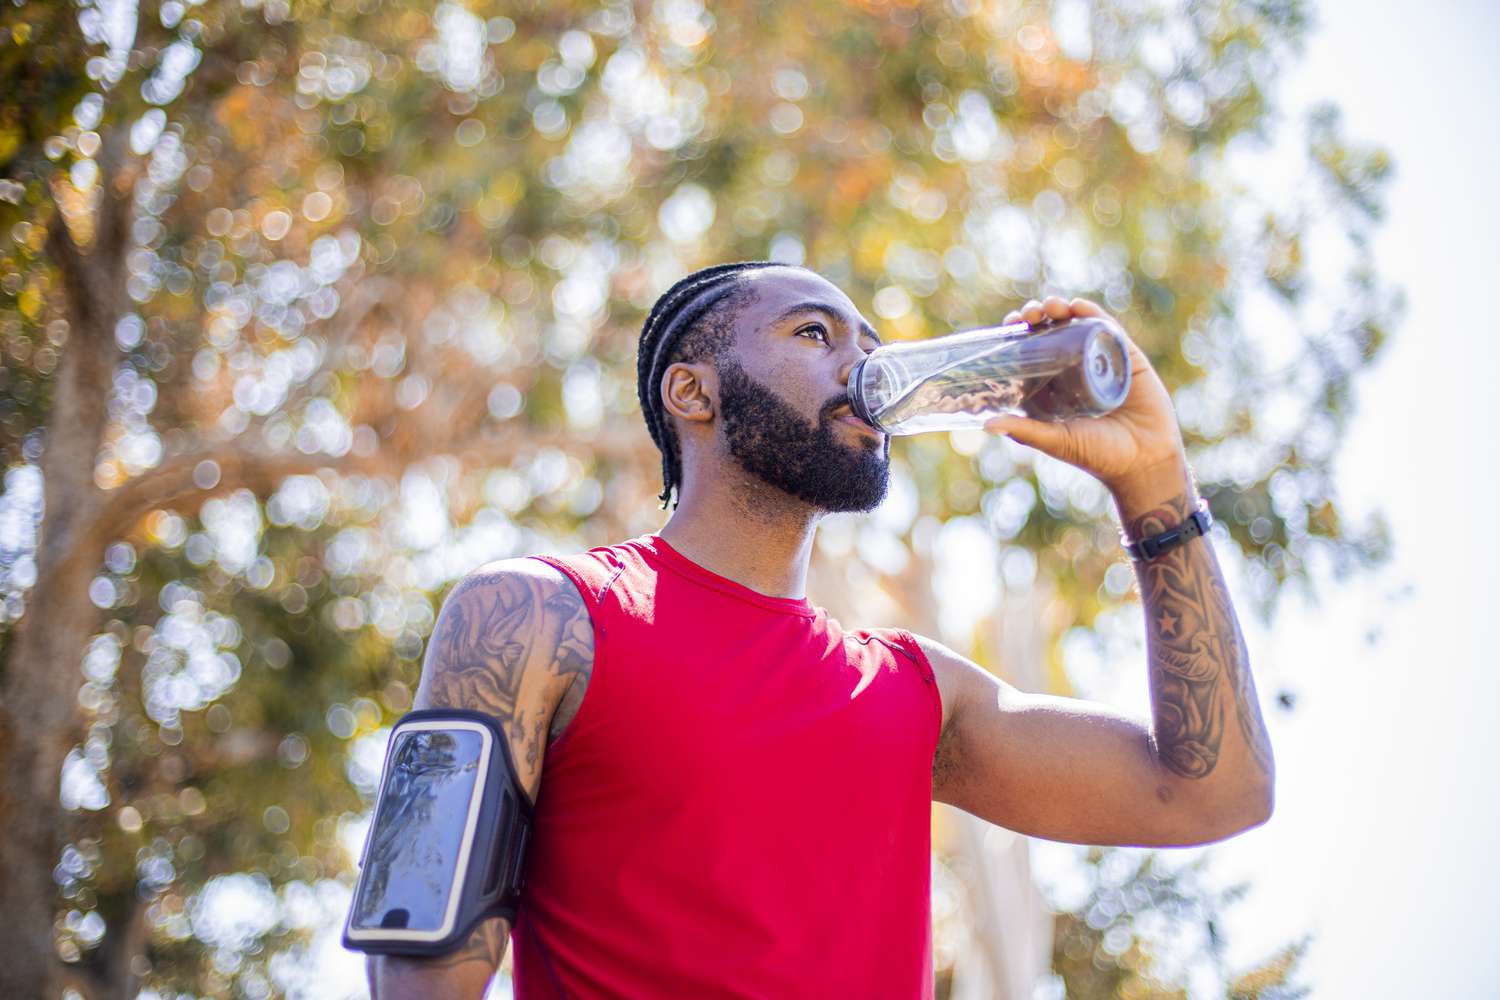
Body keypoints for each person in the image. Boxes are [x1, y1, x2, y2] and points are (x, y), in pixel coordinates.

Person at [365, 261, 1276, 998]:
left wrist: (1153, 482)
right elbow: (422, 945)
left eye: (872, 346)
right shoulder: (536, 612)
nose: (865, 370)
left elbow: (1211, 794)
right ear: (693, 392)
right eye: (814, 334)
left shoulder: (918, 694)